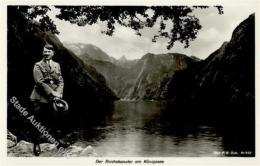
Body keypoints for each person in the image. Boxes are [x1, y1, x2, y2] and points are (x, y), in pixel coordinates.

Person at [30, 43, 68, 156]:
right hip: (39, 98)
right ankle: (36, 144)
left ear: (53, 53)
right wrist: (53, 92)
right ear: (43, 53)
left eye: (49, 52)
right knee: (37, 122)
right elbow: (39, 82)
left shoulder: (57, 65)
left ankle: (57, 142)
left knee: (55, 120)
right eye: (45, 51)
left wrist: (59, 93)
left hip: (53, 98)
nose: (46, 54)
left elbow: (61, 80)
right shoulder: (37, 65)